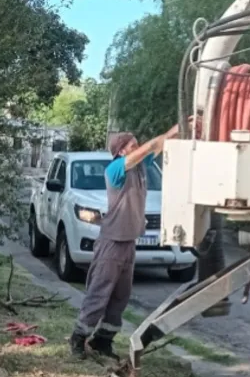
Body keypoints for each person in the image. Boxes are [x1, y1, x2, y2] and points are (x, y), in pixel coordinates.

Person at [69, 126, 181, 360]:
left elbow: (159, 145)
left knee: (121, 295)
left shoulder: (140, 167)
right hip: (112, 240)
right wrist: (173, 130)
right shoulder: (115, 169)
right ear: (121, 151)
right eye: (133, 145)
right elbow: (149, 147)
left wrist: (179, 129)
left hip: (129, 241)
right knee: (100, 292)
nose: (138, 147)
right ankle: (78, 337)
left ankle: (103, 340)